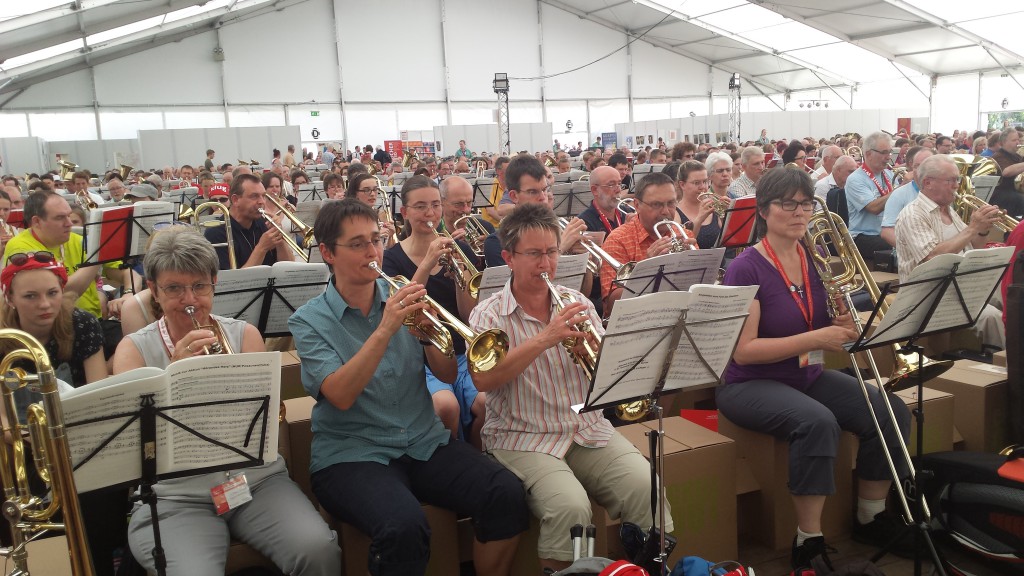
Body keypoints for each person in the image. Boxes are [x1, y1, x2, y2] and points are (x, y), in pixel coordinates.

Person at [288, 199, 526, 576]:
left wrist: (431, 335)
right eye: (358, 244)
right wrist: (386, 327)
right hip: (352, 454)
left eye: (377, 240)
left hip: (422, 441)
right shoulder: (309, 321)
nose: (373, 252)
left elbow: (448, 375)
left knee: (506, 493)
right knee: (403, 526)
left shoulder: (404, 297)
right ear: (327, 253)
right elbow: (340, 394)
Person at [110, 228, 340, 575]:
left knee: (318, 550)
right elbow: (131, 445)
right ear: (154, 291)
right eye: (174, 288)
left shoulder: (243, 334)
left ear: (214, 283)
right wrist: (176, 374)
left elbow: (263, 423)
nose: (190, 299)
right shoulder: (133, 349)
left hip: (255, 482)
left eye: (199, 286)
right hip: (177, 497)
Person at [717, 167, 911, 571]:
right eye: (788, 204)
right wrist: (817, 338)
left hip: (805, 374)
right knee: (817, 422)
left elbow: (821, 322)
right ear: (765, 211)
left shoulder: (813, 257)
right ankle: (808, 540)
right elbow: (744, 352)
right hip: (751, 383)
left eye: (806, 204)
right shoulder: (745, 268)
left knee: (891, 410)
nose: (800, 212)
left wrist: (841, 323)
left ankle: (871, 516)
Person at [469, 202, 672, 572]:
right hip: (521, 435)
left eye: (551, 252)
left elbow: (606, 378)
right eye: (534, 254)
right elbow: (483, 379)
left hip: (585, 428)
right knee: (569, 507)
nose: (546, 264)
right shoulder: (488, 313)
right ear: (508, 258)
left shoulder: (576, 302)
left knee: (647, 487)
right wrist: (544, 339)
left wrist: (592, 353)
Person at [380, 176, 484, 447]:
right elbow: (402, 308)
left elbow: (468, 315)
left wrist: (461, 273)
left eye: (436, 205)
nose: (430, 214)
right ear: (404, 213)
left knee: (487, 402)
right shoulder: (391, 258)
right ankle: (447, 461)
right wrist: (427, 262)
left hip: (462, 352)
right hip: (420, 356)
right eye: (420, 207)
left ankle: (477, 455)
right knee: (446, 406)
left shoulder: (458, 249)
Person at [894, 154, 1005, 350]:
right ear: (928, 182)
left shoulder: (949, 210)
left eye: (957, 179)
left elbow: (975, 247)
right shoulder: (912, 214)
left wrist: (983, 228)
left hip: (960, 286)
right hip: (930, 295)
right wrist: (972, 227)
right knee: (992, 317)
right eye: (951, 180)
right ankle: (1006, 368)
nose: (957, 185)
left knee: (1011, 294)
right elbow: (933, 257)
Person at [600, 172, 695, 315]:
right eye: (656, 205)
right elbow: (612, 305)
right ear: (637, 205)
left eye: (671, 203)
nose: (666, 211)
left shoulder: (684, 234)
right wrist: (647, 269)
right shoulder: (618, 240)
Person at [203, 173, 294, 269]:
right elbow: (232, 282)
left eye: (263, 196)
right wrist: (262, 248)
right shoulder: (215, 233)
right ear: (235, 200)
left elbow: (289, 268)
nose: (262, 202)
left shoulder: (264, 223)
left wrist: (279, 235)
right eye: (254, 196)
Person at [845, 132, 896, 260]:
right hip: (864, 236)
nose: (888, 157)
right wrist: (901, 191)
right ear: (868, 154)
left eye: (890, 152)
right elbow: (873, 208)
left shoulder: (889, 175)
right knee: (904, 245)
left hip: (888, 232)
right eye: (884, 152)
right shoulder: (855, 179)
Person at [880, 147, 932, 246]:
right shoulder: (899, 194)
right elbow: (887, 232)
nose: (920, 171)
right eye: (917, 166)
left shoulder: (946, 192)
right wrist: (913, 250)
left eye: (926, 166)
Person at [673, 160, 720, 249]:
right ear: (682, 185)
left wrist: (728, 214)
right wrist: (699, 219)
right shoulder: (675, 212)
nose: (703, 187)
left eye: (705, 181)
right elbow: (681, 247)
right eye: (696, 183)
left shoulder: (713, 206)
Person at [990, 128, 1024, 220]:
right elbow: (1006, 172)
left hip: (1014, 192)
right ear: (1003, 143)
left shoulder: (1017, 156)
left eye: (1018, 139)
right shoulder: (998, 156)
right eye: (1014, 140)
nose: (1017, 142)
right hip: (1001, 193)